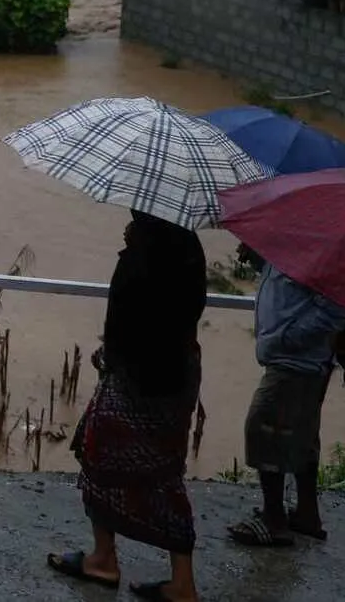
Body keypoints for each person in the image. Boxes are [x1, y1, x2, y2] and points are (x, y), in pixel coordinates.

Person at [49, 211, 208, 600]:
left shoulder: (141, 254)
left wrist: (109, 358)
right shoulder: (190, 248)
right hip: (179, 375)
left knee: (96, 455)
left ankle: (104, 558)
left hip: (137, 379)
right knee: (167, 472)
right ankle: (182, 580)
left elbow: (126, 318)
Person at [227, 259, 345, 546]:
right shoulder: (287, 251)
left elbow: (337, 306)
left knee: (263, 429)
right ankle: (307, 514)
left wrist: (286, 338)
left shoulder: (315, 253)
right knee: (303, 434)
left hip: (295, 361)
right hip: (297, 359)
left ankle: (273, 519)